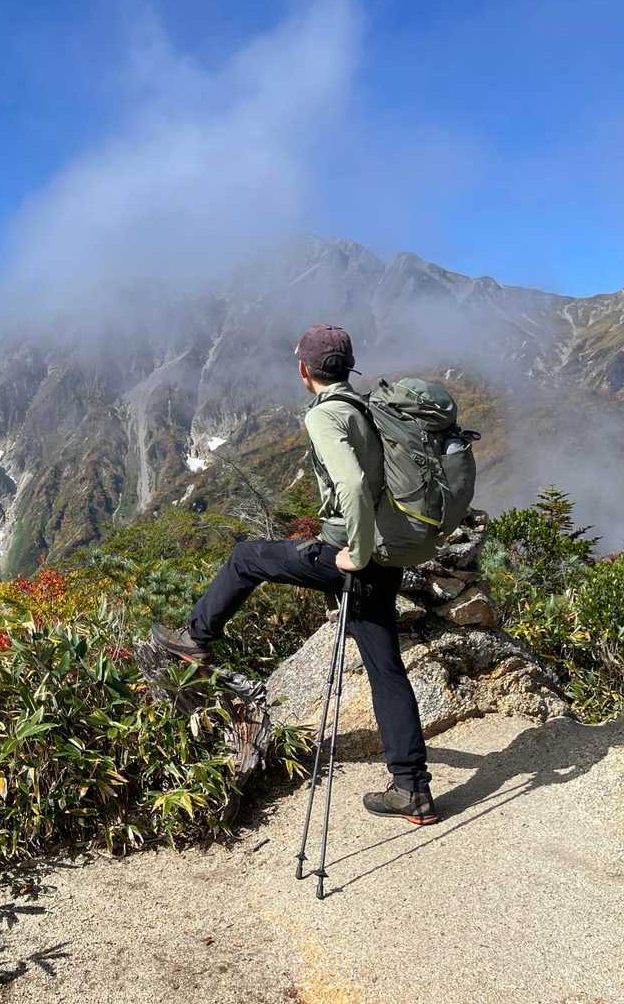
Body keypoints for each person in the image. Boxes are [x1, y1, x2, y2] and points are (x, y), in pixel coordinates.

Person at [153, 324, 437, 825]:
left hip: (352, 556)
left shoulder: (326, 414)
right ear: (347, 367)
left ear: (304, 370)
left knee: (246, 557)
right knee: (386, 669)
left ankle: (195, 638)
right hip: (388, 556)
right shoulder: (366, 406)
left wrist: (356, 553)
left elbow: (351, 483)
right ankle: (412, 788)